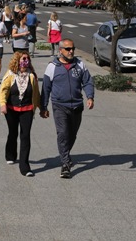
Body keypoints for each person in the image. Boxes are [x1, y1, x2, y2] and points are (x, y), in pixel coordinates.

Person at [40, 39, 95, 179]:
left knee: (72, 134)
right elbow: (46, 88)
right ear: (60, 50)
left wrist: (90, 97)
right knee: (63, 133)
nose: (71, 51)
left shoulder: (80, 64)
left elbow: (88, 81)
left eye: (73, 48)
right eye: (68, 49)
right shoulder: (52, 66)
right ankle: (65, 164)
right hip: (60, 106)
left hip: (77, 105)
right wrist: (43, 106)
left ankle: (65, 155)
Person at [0, 52, 41, 177]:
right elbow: (3, 90)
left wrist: (41, 108)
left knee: (25, 135)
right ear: (17, 60)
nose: (26, 61)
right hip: (11, 109)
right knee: (13, 132)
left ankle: (24, 166)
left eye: (28, 58)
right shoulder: (10, 75)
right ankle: (10, 154)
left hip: (27, 110)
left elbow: (36, 93)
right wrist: (2, 104)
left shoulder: (32, 75)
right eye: (24, 58)